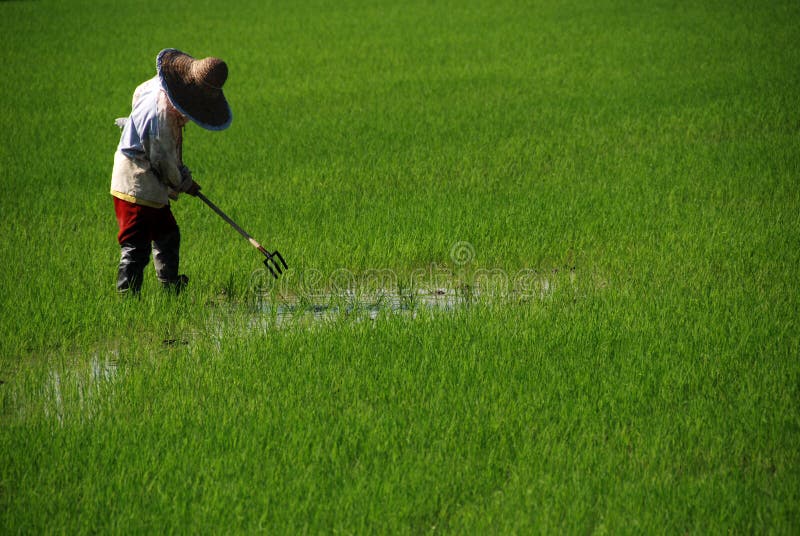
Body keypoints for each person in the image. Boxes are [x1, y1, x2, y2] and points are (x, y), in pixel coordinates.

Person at [111, 48, 232, 295]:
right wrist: (184, 182)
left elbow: (166, 153)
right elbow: (163, 159)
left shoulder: (154, 87)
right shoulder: (162, 113)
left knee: (167, 234)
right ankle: (126, 299)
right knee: (136, 245)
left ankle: (171, 288)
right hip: (135, 180)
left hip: (151, 178)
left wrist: (183, 176)